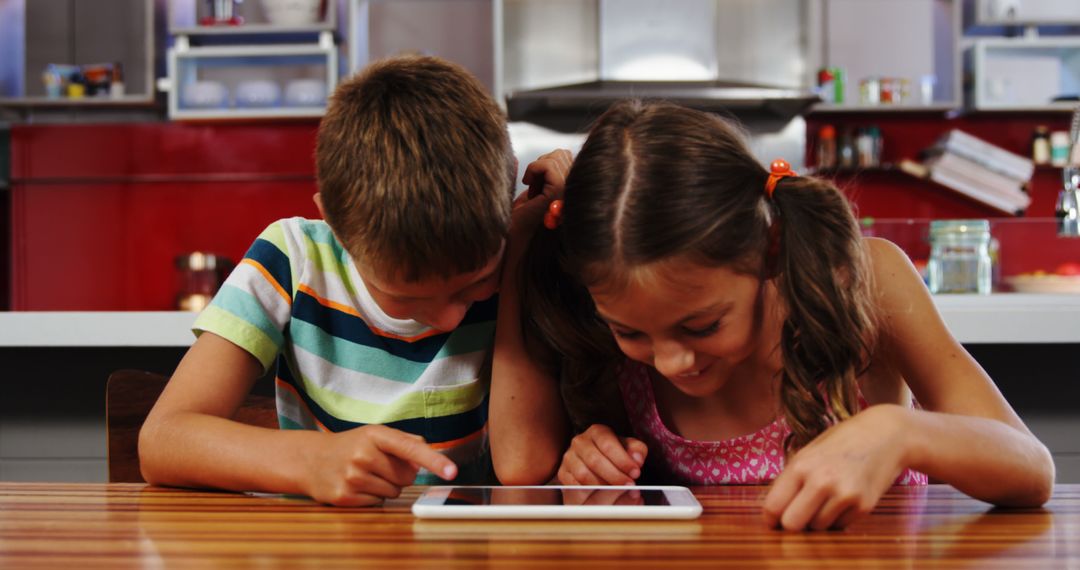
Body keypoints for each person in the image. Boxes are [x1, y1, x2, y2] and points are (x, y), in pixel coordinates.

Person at [490, 100, 1054, 530]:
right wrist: (593, 464)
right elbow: (526, 463)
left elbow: (1032, 468)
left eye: (702, 325)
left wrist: (904, 432)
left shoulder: (866, 280)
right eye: (630, 332)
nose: (671, 362)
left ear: (771, 247)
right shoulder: (611, 352)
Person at [139, 55, 559, 506]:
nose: (450, 315)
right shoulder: (294, 259)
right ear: (337, 228)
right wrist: (310, 462)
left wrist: (519, 249)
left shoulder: (515, 256)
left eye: (473, 283)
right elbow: (163, 440)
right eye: (404, 296)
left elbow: (523, 466)